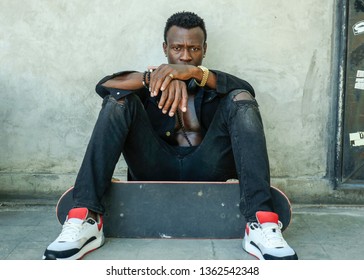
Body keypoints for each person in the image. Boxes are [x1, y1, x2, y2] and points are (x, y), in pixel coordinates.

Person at [43, 11, 297, 260]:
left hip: (207, 167)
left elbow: (246, 89)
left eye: (193, 49)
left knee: (242, 99)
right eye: (177, 48)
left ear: (204, 50)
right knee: (118, 102)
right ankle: (85, 216)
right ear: (165, 47)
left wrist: (196, 74)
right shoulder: (147, 82)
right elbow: (105, 85)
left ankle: (260, 222)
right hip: (154, 165)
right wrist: (153, 78)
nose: (185, 56)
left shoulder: (212, 83)